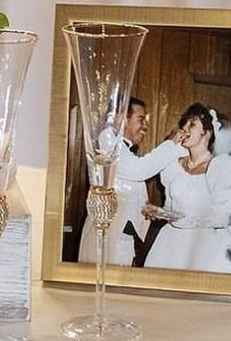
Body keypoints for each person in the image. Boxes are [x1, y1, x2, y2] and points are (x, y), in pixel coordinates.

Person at [143, 103, 231, 273]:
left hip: (207, 247)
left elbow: (221, 217)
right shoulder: (173, 165)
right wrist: (161, 212)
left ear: (207, 133)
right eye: (184, 124)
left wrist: (183, 219)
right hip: (171, 245)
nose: (184, 129)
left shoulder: (222, 167)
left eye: (192, 124)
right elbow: (172, 206)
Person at [78, 97, 186, 266]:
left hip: (121, 240)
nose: (145, 127)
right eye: (140, 120)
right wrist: (171, 144)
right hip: (107, 239)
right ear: (122, 119)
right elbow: (139, 170)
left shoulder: (123, 149)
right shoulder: (107, 141)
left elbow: (128, 190)